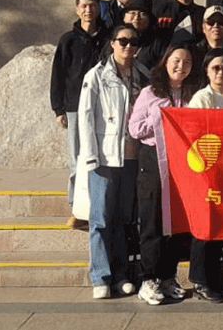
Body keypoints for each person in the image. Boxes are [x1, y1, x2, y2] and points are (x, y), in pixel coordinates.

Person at [77, 23, 141, 300]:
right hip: (104, 156)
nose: (128, 46)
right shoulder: (97, 76)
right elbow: (85, 116)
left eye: (133, 42)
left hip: (131, 156)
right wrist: (90, 155)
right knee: (100, 218)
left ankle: (121, 274)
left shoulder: (141, 75)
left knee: (123, 218)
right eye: (123, 41)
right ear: (112, 43)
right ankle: (100, 276)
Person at [129, 43, 196, 306]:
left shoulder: (191, 94)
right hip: (153, 160)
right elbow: (134, 129)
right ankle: (149, 279)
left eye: (187, 62)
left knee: (175, 222)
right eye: (176, 60)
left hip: (181, 162)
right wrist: (157, 119)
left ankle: (168, 276)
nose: (181, 66)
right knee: (152, 220)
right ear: (165, 62)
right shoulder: (150, 93)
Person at [186, 48, 223, 303]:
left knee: (221, 228)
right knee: (204, 226)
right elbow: (194, 133)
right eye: (216, 68)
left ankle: (213, 276)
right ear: (207, 71)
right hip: (207, 171)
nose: (221, 72)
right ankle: (199, 280)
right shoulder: (201, 98)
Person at [50, 0, 106, 227]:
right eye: (83, 6)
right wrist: (58, 109)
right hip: (74, 106)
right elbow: (58, 74)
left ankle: (99, 204)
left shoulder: (108, 38)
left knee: (100, 157)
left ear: (98, 9)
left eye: (92, 6)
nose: (88, 10)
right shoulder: (68, 40)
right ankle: (76, 208)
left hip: (102, 107)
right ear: (77, 9)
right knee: (76, 159)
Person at [121, 0, 165, 89]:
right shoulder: (115, 40)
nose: (137, 17)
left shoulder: (157, 43)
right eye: (132, 13)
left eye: (142, 14)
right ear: (124, 17)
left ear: (149, 19)